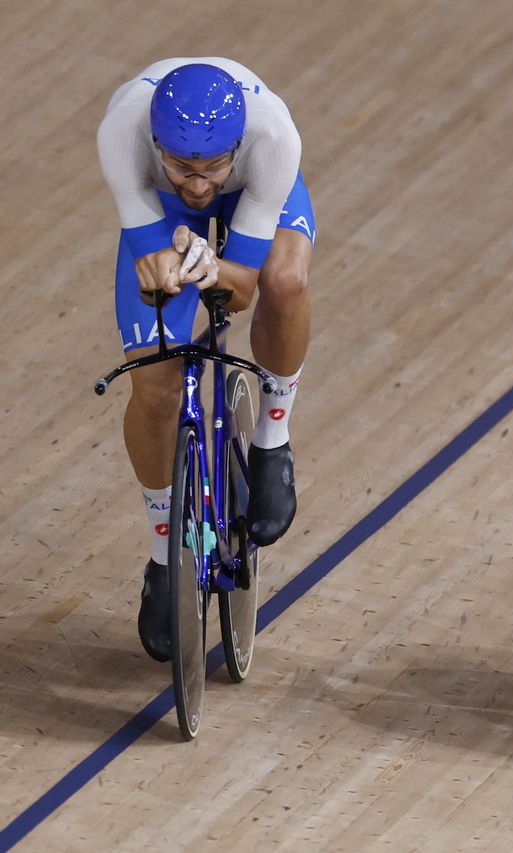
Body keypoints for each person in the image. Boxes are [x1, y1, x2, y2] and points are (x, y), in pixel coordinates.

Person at [97, 58, 315, 662]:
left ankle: (272, 437)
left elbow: (241, 291)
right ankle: (165, 550)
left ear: (237, 147)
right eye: (182, 167)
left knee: (286, 280)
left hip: (253, 197)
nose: (197, 183)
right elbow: (153, 270)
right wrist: (167, 267)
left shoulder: (273, 140)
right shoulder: (122, 137)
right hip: (158, 213)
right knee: (155, 385)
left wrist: (216, 268)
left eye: (210, 166)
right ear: (155, 145)